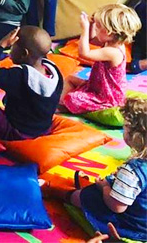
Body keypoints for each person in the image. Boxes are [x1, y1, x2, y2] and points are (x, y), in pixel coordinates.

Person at [48, 98, 147, 242]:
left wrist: (105, 187)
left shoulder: (133, 170)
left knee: (89, 195)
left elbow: (117, 206)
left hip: (132, 226)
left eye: (125, 126)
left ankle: (61, 193)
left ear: (136, 137)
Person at [0, 26, 62, 140]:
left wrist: (1, 45)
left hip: (17, 132)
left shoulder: (19, 76)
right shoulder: (54, 71)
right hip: (43, 129)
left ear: (24, 53)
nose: (10, 52)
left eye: (12, 47)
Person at [61, 5, 142, 114]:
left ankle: (62, 107)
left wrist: (84, 29)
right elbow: (92, 40)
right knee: (70, 79)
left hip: (107, 97)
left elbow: (84, 53)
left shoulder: (113, 52)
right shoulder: (111, 42)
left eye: (98, 27)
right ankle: (61, 102)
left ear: (109, 32)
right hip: (98, 87)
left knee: (74, 98)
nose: (95, 29)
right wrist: (91, 24)